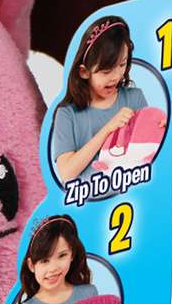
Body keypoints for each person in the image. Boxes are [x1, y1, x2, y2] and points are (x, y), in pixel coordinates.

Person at [51, 16, 150, 184]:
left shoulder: (135, 98)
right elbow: (66, 173)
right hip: (89, 199)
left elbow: (148, 152)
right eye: (106, 71)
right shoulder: (67, 114)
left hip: (131, 193)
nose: (116, 76)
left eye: (122, 64)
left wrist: (161, 130)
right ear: (84, 72)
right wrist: (108, 129)